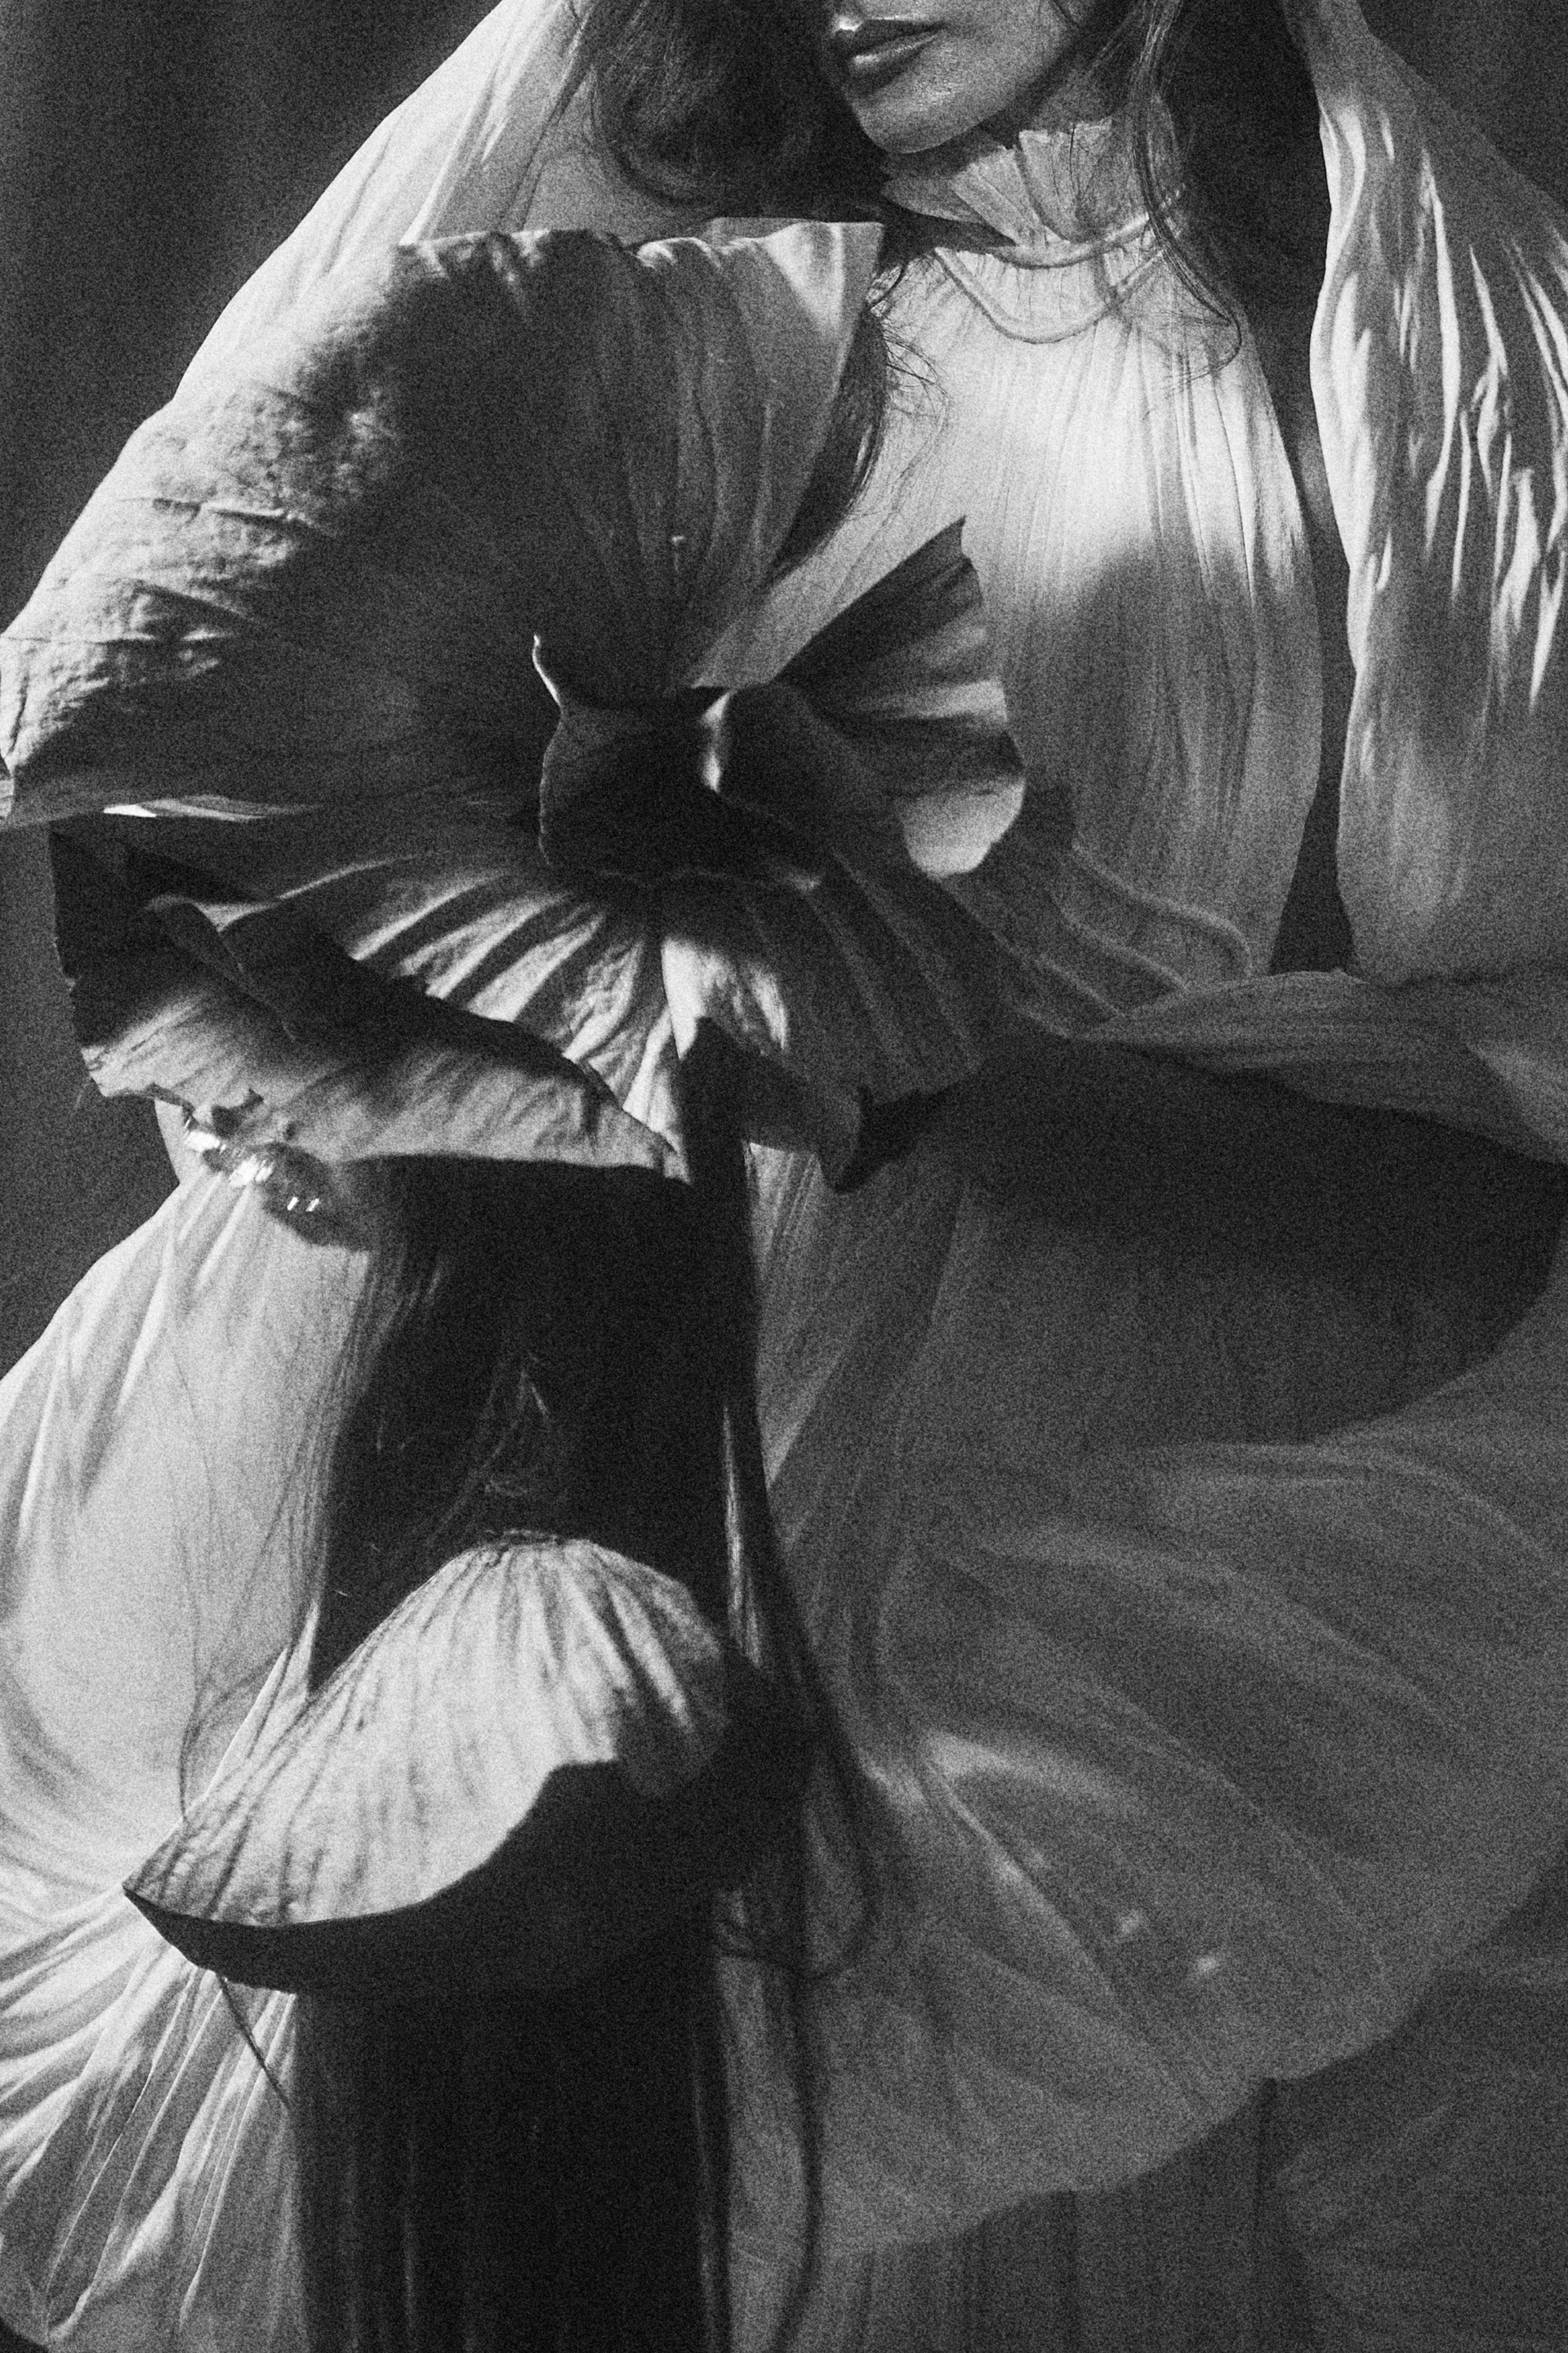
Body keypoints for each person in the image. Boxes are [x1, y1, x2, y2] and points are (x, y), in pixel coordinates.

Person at [4, 0, 1568, 2346]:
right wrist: (332, 1072)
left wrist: (914, 1066)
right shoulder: (637, 306)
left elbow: (1505, 1178)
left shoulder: (1406, 359)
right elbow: (214, 726)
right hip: (590, 1464)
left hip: (1070, 1509)